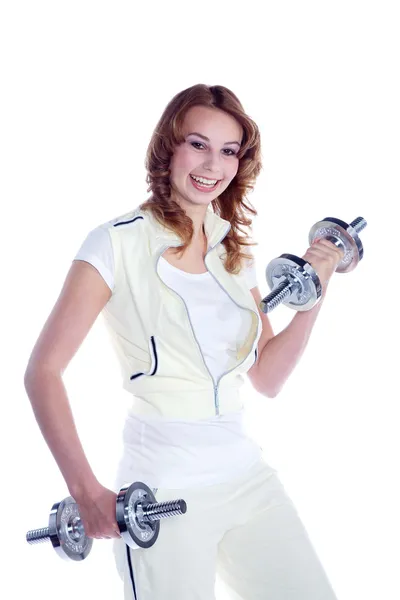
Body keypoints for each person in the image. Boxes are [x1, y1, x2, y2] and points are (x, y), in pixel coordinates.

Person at [24, 84, 343, 599]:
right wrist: (84, 491)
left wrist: (317, 290)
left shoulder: (233, 248)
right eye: (197, 143)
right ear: (168, 147)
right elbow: (43, 372)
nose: (211, 164)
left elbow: (267, 378)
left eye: (228, 150)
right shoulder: (114, 242)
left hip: (247, 481)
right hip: (163, 491)